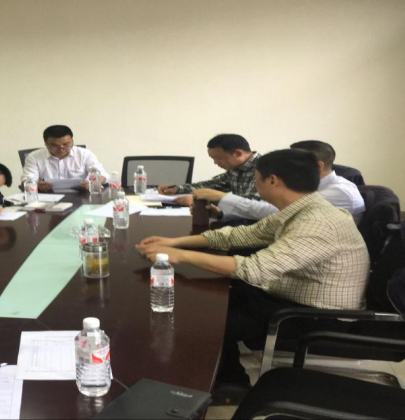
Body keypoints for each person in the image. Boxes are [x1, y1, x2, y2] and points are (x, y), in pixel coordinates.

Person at [137, 149, 369, 402]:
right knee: (204, 300)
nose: (254, 184)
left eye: (256, 178)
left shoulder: (317, 222)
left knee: (205, 321)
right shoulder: (301, 208)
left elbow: (255, 270)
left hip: (316, 315)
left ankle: (231, 385)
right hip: (290, 293)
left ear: (272, 180)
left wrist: (180, 255)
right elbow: (240, 235)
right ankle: (221, 374)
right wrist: (175, 242)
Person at [193, 140, 366, 223]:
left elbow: (273, 212)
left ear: (318, 166)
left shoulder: (340, 192)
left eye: (293, 162)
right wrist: (221, 214)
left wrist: (222, 197)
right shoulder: (305, 186)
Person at [158, 134, 261, 207]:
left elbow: (253, 205)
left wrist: (201, 201)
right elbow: (212, 184)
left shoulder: (264, 169)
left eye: (219, 158)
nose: (215, 163)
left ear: (238, 154)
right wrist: (177, 189)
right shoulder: (235, 169)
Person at [23, 125, 108, 192]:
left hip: (81, 195)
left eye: (66, 144)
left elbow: (103, 175)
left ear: (72, 140)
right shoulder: (34, 157)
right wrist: (36, 184)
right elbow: (28, 179)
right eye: (55, 146)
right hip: (48, 196)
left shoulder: (84, 154)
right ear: (45, 143)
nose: (61, 148)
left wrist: (92, 183)